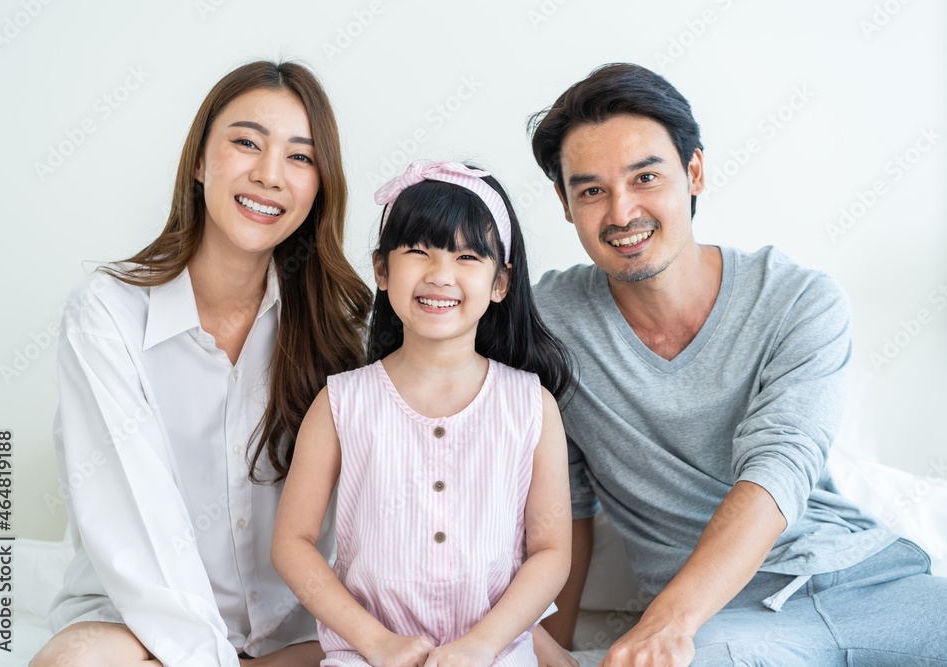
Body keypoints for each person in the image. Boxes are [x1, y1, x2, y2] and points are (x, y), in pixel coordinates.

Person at [526, 63, 947, 666]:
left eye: (645, 177)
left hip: (868, 579)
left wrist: (667, 622)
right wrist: (545, 654)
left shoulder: (798, 300)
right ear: (563, 202)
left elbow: (779, 467)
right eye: (591, 190)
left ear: (693, 173)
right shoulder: (544, 328)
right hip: (728, 624)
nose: (621, 212)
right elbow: (568, 505)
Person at [31, 61, 372, 667]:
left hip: (298, 637)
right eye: (246, 142)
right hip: (142, 630)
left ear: (321, 184)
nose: (269, 175)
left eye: (300, 157)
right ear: (198, 162)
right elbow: (139, 526)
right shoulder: (107, 315)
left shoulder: (343, 327)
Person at [271, 161, 573, 667]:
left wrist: (482, 644)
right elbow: (292, 544)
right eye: (417, 250)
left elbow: (551, 552)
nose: (440, 274)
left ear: (500, 282)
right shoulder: (341, 402)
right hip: (364, 656)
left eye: (467, 256)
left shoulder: (530, 405)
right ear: (382, 269)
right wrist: (376, 643)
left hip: (495, 654)